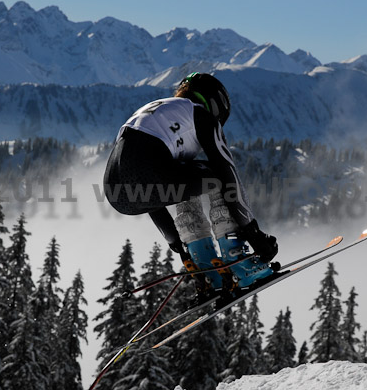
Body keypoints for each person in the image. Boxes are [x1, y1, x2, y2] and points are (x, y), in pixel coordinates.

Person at [103, 72, 278, 301]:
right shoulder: (200, 113)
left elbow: (149, 192)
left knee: (185, 180)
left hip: (117, 194)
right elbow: (228, 173)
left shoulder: (158, 112)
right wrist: (253, 233)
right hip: (149, 175)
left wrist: (177, 244)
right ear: (217, 104)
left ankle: (204, 267)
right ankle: (240, 264)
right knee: (216, 177)